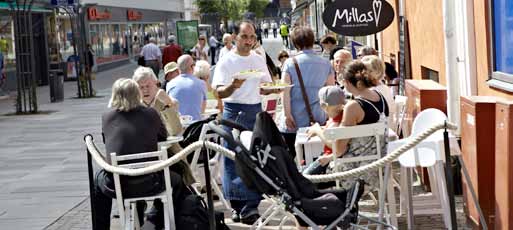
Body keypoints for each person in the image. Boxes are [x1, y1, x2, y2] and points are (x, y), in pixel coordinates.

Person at [93, 78, 188, 230]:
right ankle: (154, 221)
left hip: (119, 184)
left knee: (97, 179)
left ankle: (101, 227)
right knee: (177, 179)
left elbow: (107, 142)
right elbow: (163, 137)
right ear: (137, 94)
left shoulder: (107, 117)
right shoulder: (150, 113)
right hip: (149, 181)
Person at [212, 21, 277, 225]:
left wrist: (274, 89)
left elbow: (265, 86)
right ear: (234, 37)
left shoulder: (258, 58)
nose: (249, 41)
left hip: (254, 110)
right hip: (233, 111)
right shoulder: (226, 61)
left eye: (252, 37)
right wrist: (233, 86)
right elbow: (218, 92)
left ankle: (250, 206)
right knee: (233, 159)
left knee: (254, 158)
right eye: (244, 37)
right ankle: (238, 206)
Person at [306, 60, 389, 190]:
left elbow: (338, 150)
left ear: (349, 82)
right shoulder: (380, 97)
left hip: (352, 172)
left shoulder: (353, 106)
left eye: (344, 82)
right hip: (378, 168)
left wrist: (317, 130)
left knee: (304, 180)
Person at [132, 67, 196, 229]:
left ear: (156, 84)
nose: (145, 90)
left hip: (167, 156)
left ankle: (158, 218)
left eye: (148, 86)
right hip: (142, 161)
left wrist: (167, 104)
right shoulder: (133, 106)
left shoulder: (164, 101)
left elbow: (175, 129)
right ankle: (150, 220)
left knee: (177, 179)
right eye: (141, 86)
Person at [279, 26, 336, 158]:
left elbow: (285, 91)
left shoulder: (289, 63)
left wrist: (287, 115)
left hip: (294, 119)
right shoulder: (325, 63)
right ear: (312, 41)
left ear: (295, 43)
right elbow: (330, 92)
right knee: (318, 157)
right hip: (318, 118)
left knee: (295, 158)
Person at [302, 86, 346, 176]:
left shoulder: (337, 122)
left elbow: (333, 144)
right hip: (332, 157)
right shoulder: (343, 118)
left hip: (330, 159)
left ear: (323, 106)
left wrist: (318, 130)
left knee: (305, 175)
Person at [167, 54, 207, 121]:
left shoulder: (170, 84)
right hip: (195, 126)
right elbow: (202, 109)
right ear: (192, 67)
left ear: (178, 68)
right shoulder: (201, 83)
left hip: (178, 126)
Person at [361, 55, 396, 125]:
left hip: (378, 131)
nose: (361, 73)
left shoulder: (371, 91)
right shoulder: (384, 87)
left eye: (363, 70)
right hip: (388, 128)